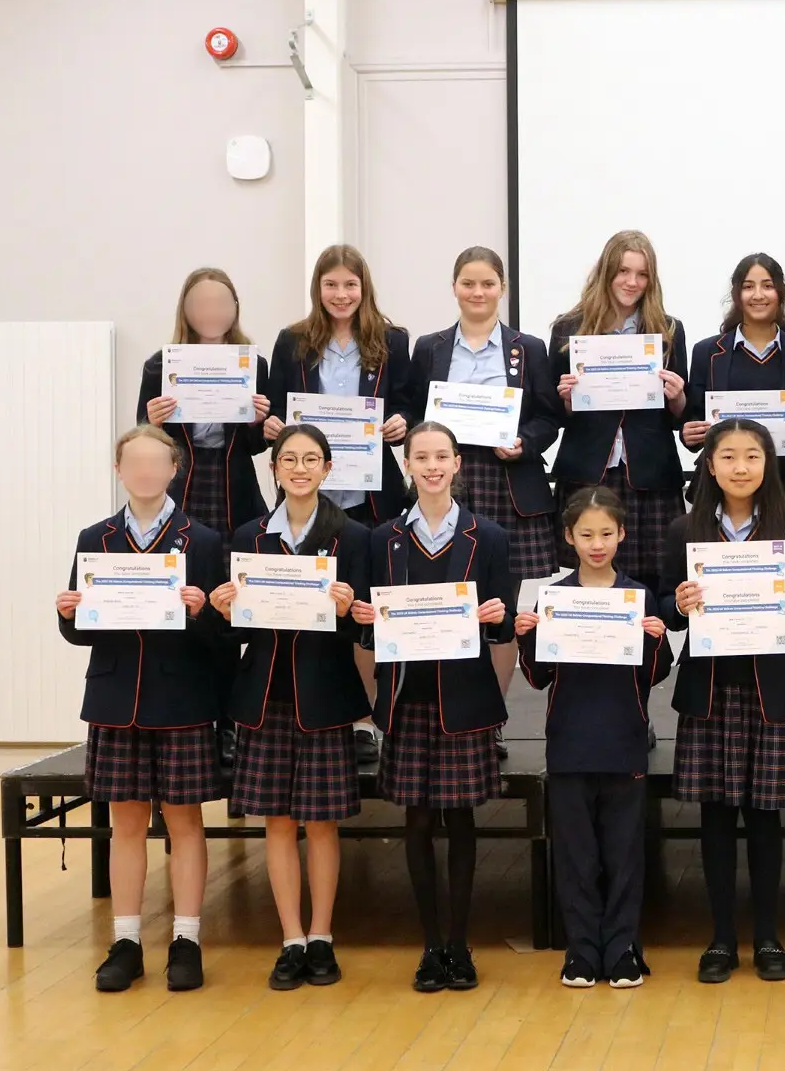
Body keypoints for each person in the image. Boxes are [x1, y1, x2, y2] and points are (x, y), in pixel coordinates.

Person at [57, 426, 225, 993]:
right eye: (136, 463)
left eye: (158, 462)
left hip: (181, 699)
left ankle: (186, 939)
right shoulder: (94, 538)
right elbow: (82, 633)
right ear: (119, 470)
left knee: (184, 820)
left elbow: (225, 639)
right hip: (115, 699)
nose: (147, 472)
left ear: (174, 469)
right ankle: (126, 940)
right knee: (124, 822)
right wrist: (68, 612)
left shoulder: (201, 540)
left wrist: (203, 612)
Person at [352, 422, 518, 992]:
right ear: (406, 466)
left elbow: (502, 627)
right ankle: (429, 945)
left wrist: (496, 616)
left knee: (462, 822)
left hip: (463, 700)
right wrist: (365, 622)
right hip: (406, 699)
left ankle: (459, 944)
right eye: (420, 456)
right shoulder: (381, 539)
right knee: (417, 823)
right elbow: (372, 636)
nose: (430, 465)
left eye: (440, 456)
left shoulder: (488, 535)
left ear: (456, 463)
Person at [209, 423, 371, 989]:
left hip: (325, 694)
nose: (299, 469)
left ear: (328, 469)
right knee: (277, 823)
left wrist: (353, 610)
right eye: (288, 460)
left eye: (311, 459)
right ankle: (290, 939)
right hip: (263, 696)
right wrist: (223, 613)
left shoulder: (353, 536)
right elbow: (230, 638)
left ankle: (322, 936)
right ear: (274, 469)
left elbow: (366, 634)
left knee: (322, 825)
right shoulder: (248, 535)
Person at [658, 420, 785, 983]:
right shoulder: (684, 530)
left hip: (770, 691)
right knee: (717, 818)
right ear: (710, 465)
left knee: (766, 817)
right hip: (710, 690)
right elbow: (668, 608)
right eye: (729, 456)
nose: (741, 466)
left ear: (769, 465)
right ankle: (721, 938)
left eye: (753, 456)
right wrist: (678, 603)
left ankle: (768, 937)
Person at [516, 487, 673, 989]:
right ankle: (581, 952)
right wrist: (526, 636)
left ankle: (624, 948)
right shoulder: (553, 598)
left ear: (622, 534)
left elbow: (653, 675)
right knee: (577, 856)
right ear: (569, 537)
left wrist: (659, 641)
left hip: (624, 740)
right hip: (569, 744)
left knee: (625, 854)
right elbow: (539, 677)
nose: (597, 543)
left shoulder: (638, 596)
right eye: (586, 534)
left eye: (607, 533)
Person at [411, 246, 560, 754]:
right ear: (454, 287)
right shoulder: (429, 348)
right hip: (446, 487)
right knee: (450, 603)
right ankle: (449, 715)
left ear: (503, 289)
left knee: (504, 610)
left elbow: (547, 417)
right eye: (468, 283)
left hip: (510, 486)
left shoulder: (529, 348)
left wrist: (525, 443)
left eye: (488, 284)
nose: (478, 293)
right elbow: (413, 415)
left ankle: (490, 720)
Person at [548, 231, 689, 590]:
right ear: (607, 271)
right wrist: (565, 398)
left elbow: (681, 417)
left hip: (650, 472)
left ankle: (649, 648)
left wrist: (677, 397)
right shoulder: (569, 328)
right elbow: (552, 411)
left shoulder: (669, 330)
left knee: (653, 582)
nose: (632, 282)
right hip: (589, 470)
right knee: (588, 578)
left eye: (642, 274)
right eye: (624, 271)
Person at [264, 244, 420, 526]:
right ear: (317, 288)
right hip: (307, 488)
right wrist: (272, 424)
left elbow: (405, 405)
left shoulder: (392, 341)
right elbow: (276, 406)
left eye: (350, 285)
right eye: (330, 285)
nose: (341, 295)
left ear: (364, 288)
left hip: (370, 495)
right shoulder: (292, 340)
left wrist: (401, 422)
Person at [136, 268, 272, 539]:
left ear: (235, 308)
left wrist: (257, 422)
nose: (212, 312)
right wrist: (153, 423)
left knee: (234, 569)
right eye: (201, 304)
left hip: (235, 485)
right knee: (185, 565)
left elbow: (257, 446)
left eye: (221, 303)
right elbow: (143, 440)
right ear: (184, 310)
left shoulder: (254, 365)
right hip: (182, 483)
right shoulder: (160, 366)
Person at [681, 253, 785, 516]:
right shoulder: (707, 353)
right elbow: (694, 421)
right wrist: (690, 434)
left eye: (767, 286)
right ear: (736, 295)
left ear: (781, 293)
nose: (758, 295)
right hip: (723, 491)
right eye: (748, 286)